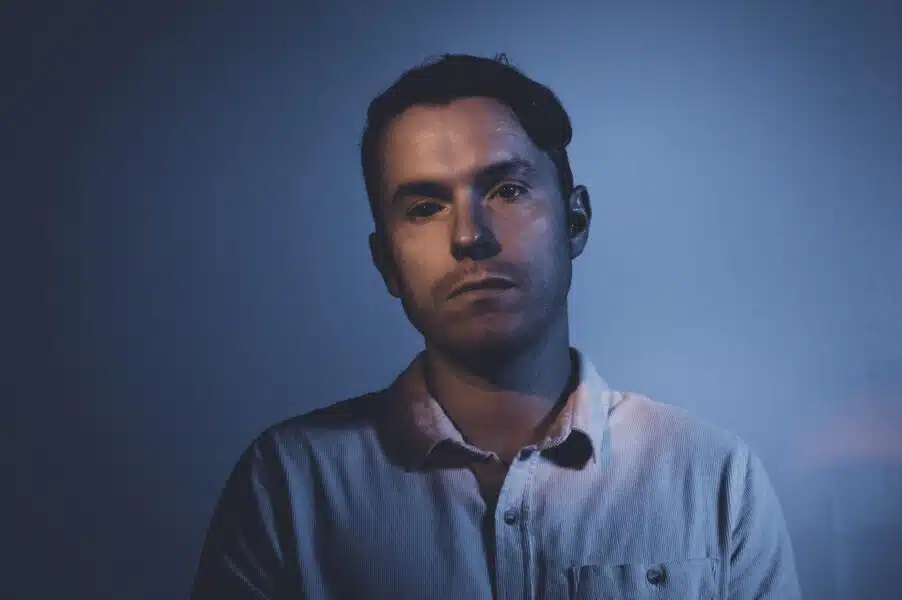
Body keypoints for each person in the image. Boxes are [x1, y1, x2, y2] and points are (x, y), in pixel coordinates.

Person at [191, 53, 801, 599]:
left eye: (507, 189)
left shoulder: (714, 477)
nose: (470, 236)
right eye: (426, 207)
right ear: (386, 264)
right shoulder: (290, 484)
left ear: (576, 220)